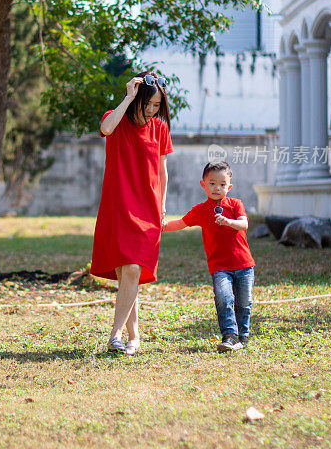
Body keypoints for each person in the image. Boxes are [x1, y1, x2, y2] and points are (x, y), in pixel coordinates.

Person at [90, 73, 173, 355]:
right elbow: (106, 128)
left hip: (148, 207)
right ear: (137, 99)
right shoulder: (118, 118)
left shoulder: (160, 128)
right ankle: (134, 336)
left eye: (156, 105)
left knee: (135, 268)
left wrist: (163, 205)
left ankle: (114, 335)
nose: (152, 110)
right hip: (118, 205)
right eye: (148, 104)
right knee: (127, 273)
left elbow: (162, 170)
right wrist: (127, 97)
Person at [162, 161, 255, 352]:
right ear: (203, 184)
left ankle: (243, 337)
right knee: (224, 298)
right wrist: (160, 226)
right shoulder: (200, 210)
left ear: (229, 186)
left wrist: (228, 221)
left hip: (244, 265)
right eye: (212, 183)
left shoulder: (236, 204)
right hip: (219, 266)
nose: (217, 188)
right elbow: (180, 223)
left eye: (222, 184)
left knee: (244, 303)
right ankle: (229, 336)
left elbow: (244, 224)